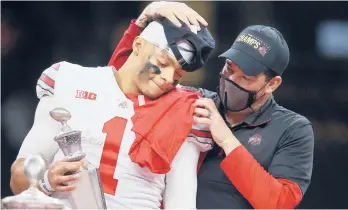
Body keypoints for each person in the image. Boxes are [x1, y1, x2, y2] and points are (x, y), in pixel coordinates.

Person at [108, 1, 315, 209]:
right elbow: (123, 87)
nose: (233, 79)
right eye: (229, 68)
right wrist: (142, 22)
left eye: (246, 77)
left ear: (272, 84)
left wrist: (226, 139)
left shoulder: (293, 129)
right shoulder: (195, 103)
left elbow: (279, 202)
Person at [9, 9, 216, 209]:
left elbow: (181, 202)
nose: (168, 78)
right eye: (163, 63)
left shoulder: (183, 109)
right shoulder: (70, 80)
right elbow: (18, 178)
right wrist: (46, 180)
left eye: (178, 75)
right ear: (137, 45)